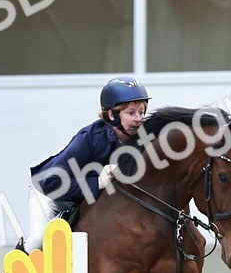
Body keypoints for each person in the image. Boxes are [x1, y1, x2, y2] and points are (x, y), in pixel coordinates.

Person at [23, 75, 150, 251]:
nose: (139, 119)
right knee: (38, 239)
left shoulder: (143, 140)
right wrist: (97, 182)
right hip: (50, 193)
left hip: (88, 198)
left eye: (142, 112)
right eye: (131, 113)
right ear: (112, 115)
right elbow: (52, 181)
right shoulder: (89, 139)